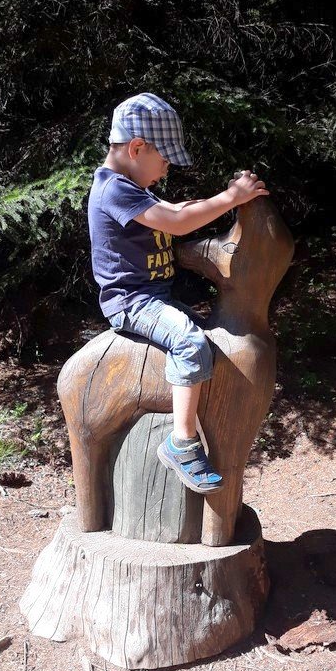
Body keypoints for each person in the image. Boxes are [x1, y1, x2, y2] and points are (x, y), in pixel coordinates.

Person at [87, 92, 269, 493]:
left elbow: (176, 210)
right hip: (132, 302)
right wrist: (231, 198)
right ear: (137, 147)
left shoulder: (130, 188)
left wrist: (227, 199)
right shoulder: (113, 189)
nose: (166, 168)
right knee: (189, 342)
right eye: (165, 158)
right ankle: (181, 443)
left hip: (155, 297)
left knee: (210, 339)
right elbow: (177, 222)